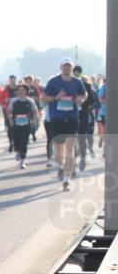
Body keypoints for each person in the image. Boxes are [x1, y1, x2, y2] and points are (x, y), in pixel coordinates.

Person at [41, 58, 86, 191]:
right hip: (57, 119)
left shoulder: (77, 82)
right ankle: (61, 167)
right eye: (65, 66)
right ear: (61, 68)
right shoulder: (54, 82)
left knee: (70, 150)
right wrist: (56, 98)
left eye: (69, 66)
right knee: (59, 151)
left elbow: (84, 94)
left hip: (72, 119)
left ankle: (66, 180)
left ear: (72, 68)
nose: (67, 68)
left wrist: (80, 100)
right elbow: (43, 98)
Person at [73, 65, 98, 171]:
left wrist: (87, 106)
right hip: (71, 115)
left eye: (78, 72)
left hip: (83, 114)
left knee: (82, 135)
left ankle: (83, 157)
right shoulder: (68, 85)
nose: (76, 74)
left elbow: (92, 100)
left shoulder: (86, 85)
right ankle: (73, 159)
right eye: (75, 72)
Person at [8, 84, 38, 168]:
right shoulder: (14, 101)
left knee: (24, 142)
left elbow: (35, 111)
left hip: (26, 124)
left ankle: (22, 161)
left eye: (23, 90)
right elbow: (8, 111)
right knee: (16, 140)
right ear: (17, 91)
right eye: (19, 90)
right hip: (15, 124)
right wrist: (10, 120)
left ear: (26, 91)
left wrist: (35, 119)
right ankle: (17, 151)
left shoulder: (30, 101)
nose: (21, 92)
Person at [0, 75, 20, 153]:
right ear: (9, 80)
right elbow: (0, 100)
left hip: (19, 111)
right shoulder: (6, 90)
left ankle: (17, 141)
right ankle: (11, 142)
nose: (12, 81)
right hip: (8, 111)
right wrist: (5, 102)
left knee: (18, 126)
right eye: (11, 80)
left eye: (13, 80)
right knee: (10, 127)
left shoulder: (19, 88)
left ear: (15, 80)